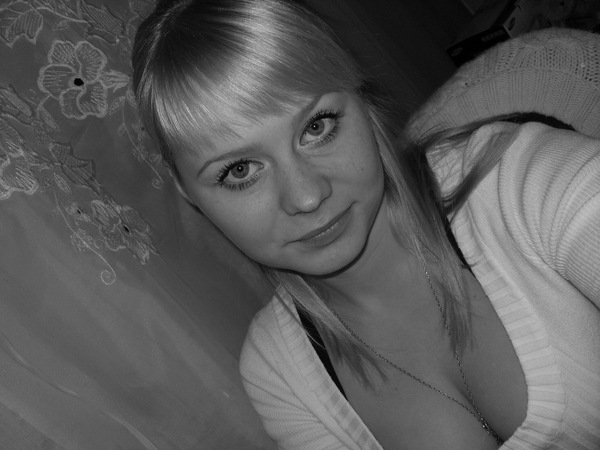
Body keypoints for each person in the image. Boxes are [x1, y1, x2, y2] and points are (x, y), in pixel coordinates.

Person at [132, 0, 600, 448]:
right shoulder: (278, 372)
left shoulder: (524, 183)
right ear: (188, 194)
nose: (308, 196)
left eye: (316, 127)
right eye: (239, 171)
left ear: (361, 98)